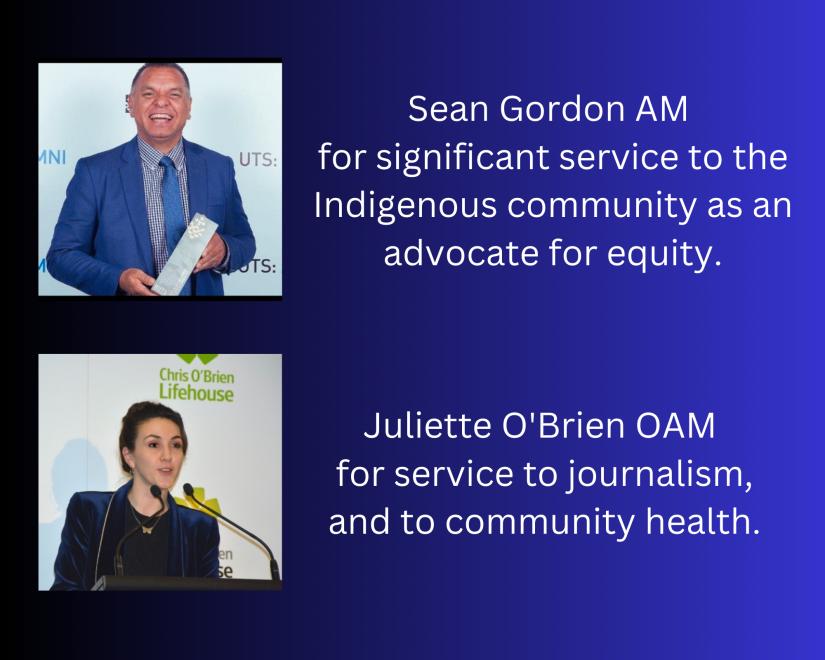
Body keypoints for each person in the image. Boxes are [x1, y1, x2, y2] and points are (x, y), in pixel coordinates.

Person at [47, 62, 255, 296]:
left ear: (189, 106)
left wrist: (225, 250)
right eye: (149, 93)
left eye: (174, 94)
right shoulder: (94, 171)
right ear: (131, 104)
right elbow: (61, 256)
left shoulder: (219, 167)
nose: (161, 102)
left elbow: (244, 241)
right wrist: (119, 279)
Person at [50, 402, 219, 590]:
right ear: (129, 456)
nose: (167, 455)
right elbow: (65, 587)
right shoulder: (89, 511)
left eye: (175, 445)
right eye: (154, 444)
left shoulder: (201, 528)